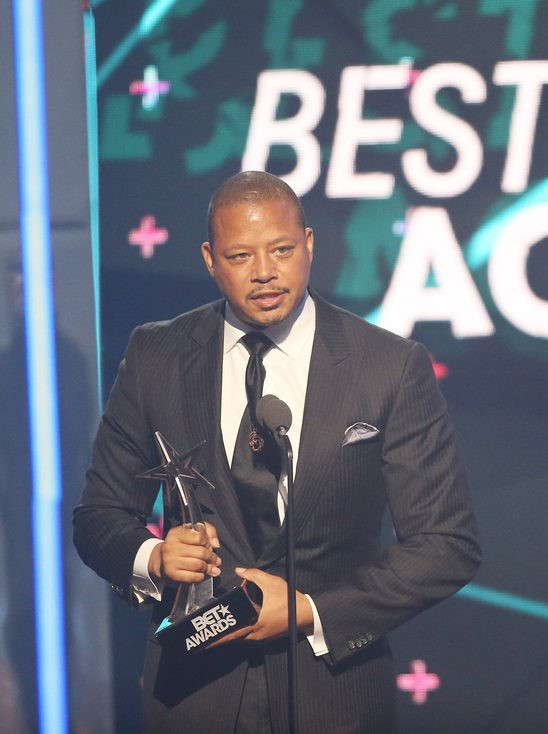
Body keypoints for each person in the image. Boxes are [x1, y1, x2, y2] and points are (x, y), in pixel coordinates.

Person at [73, 170, 481, 732]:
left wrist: (310, 611)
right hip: (194, 696)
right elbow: (98, 517)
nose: (265, 273)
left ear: (309, 245)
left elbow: (446, 545)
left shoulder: (387, 366)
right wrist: (155, 558)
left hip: (335, 696)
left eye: (282, 250)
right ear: (210, 260)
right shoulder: (157, 356)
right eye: (240, 256)